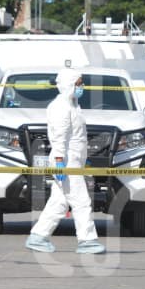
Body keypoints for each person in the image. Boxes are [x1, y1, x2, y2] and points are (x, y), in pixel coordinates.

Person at [25, 68, 106, 254]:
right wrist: (60, 161)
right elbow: (59, 137)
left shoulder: (72, 105)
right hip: (66, 162)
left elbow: (76, 136)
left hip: (73, 161)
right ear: (69, 84)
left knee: (59, 203)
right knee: (81, 201)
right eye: (78, 83)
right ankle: (87, 240)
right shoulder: (61, 107)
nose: (82, 87)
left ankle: (38, 236)